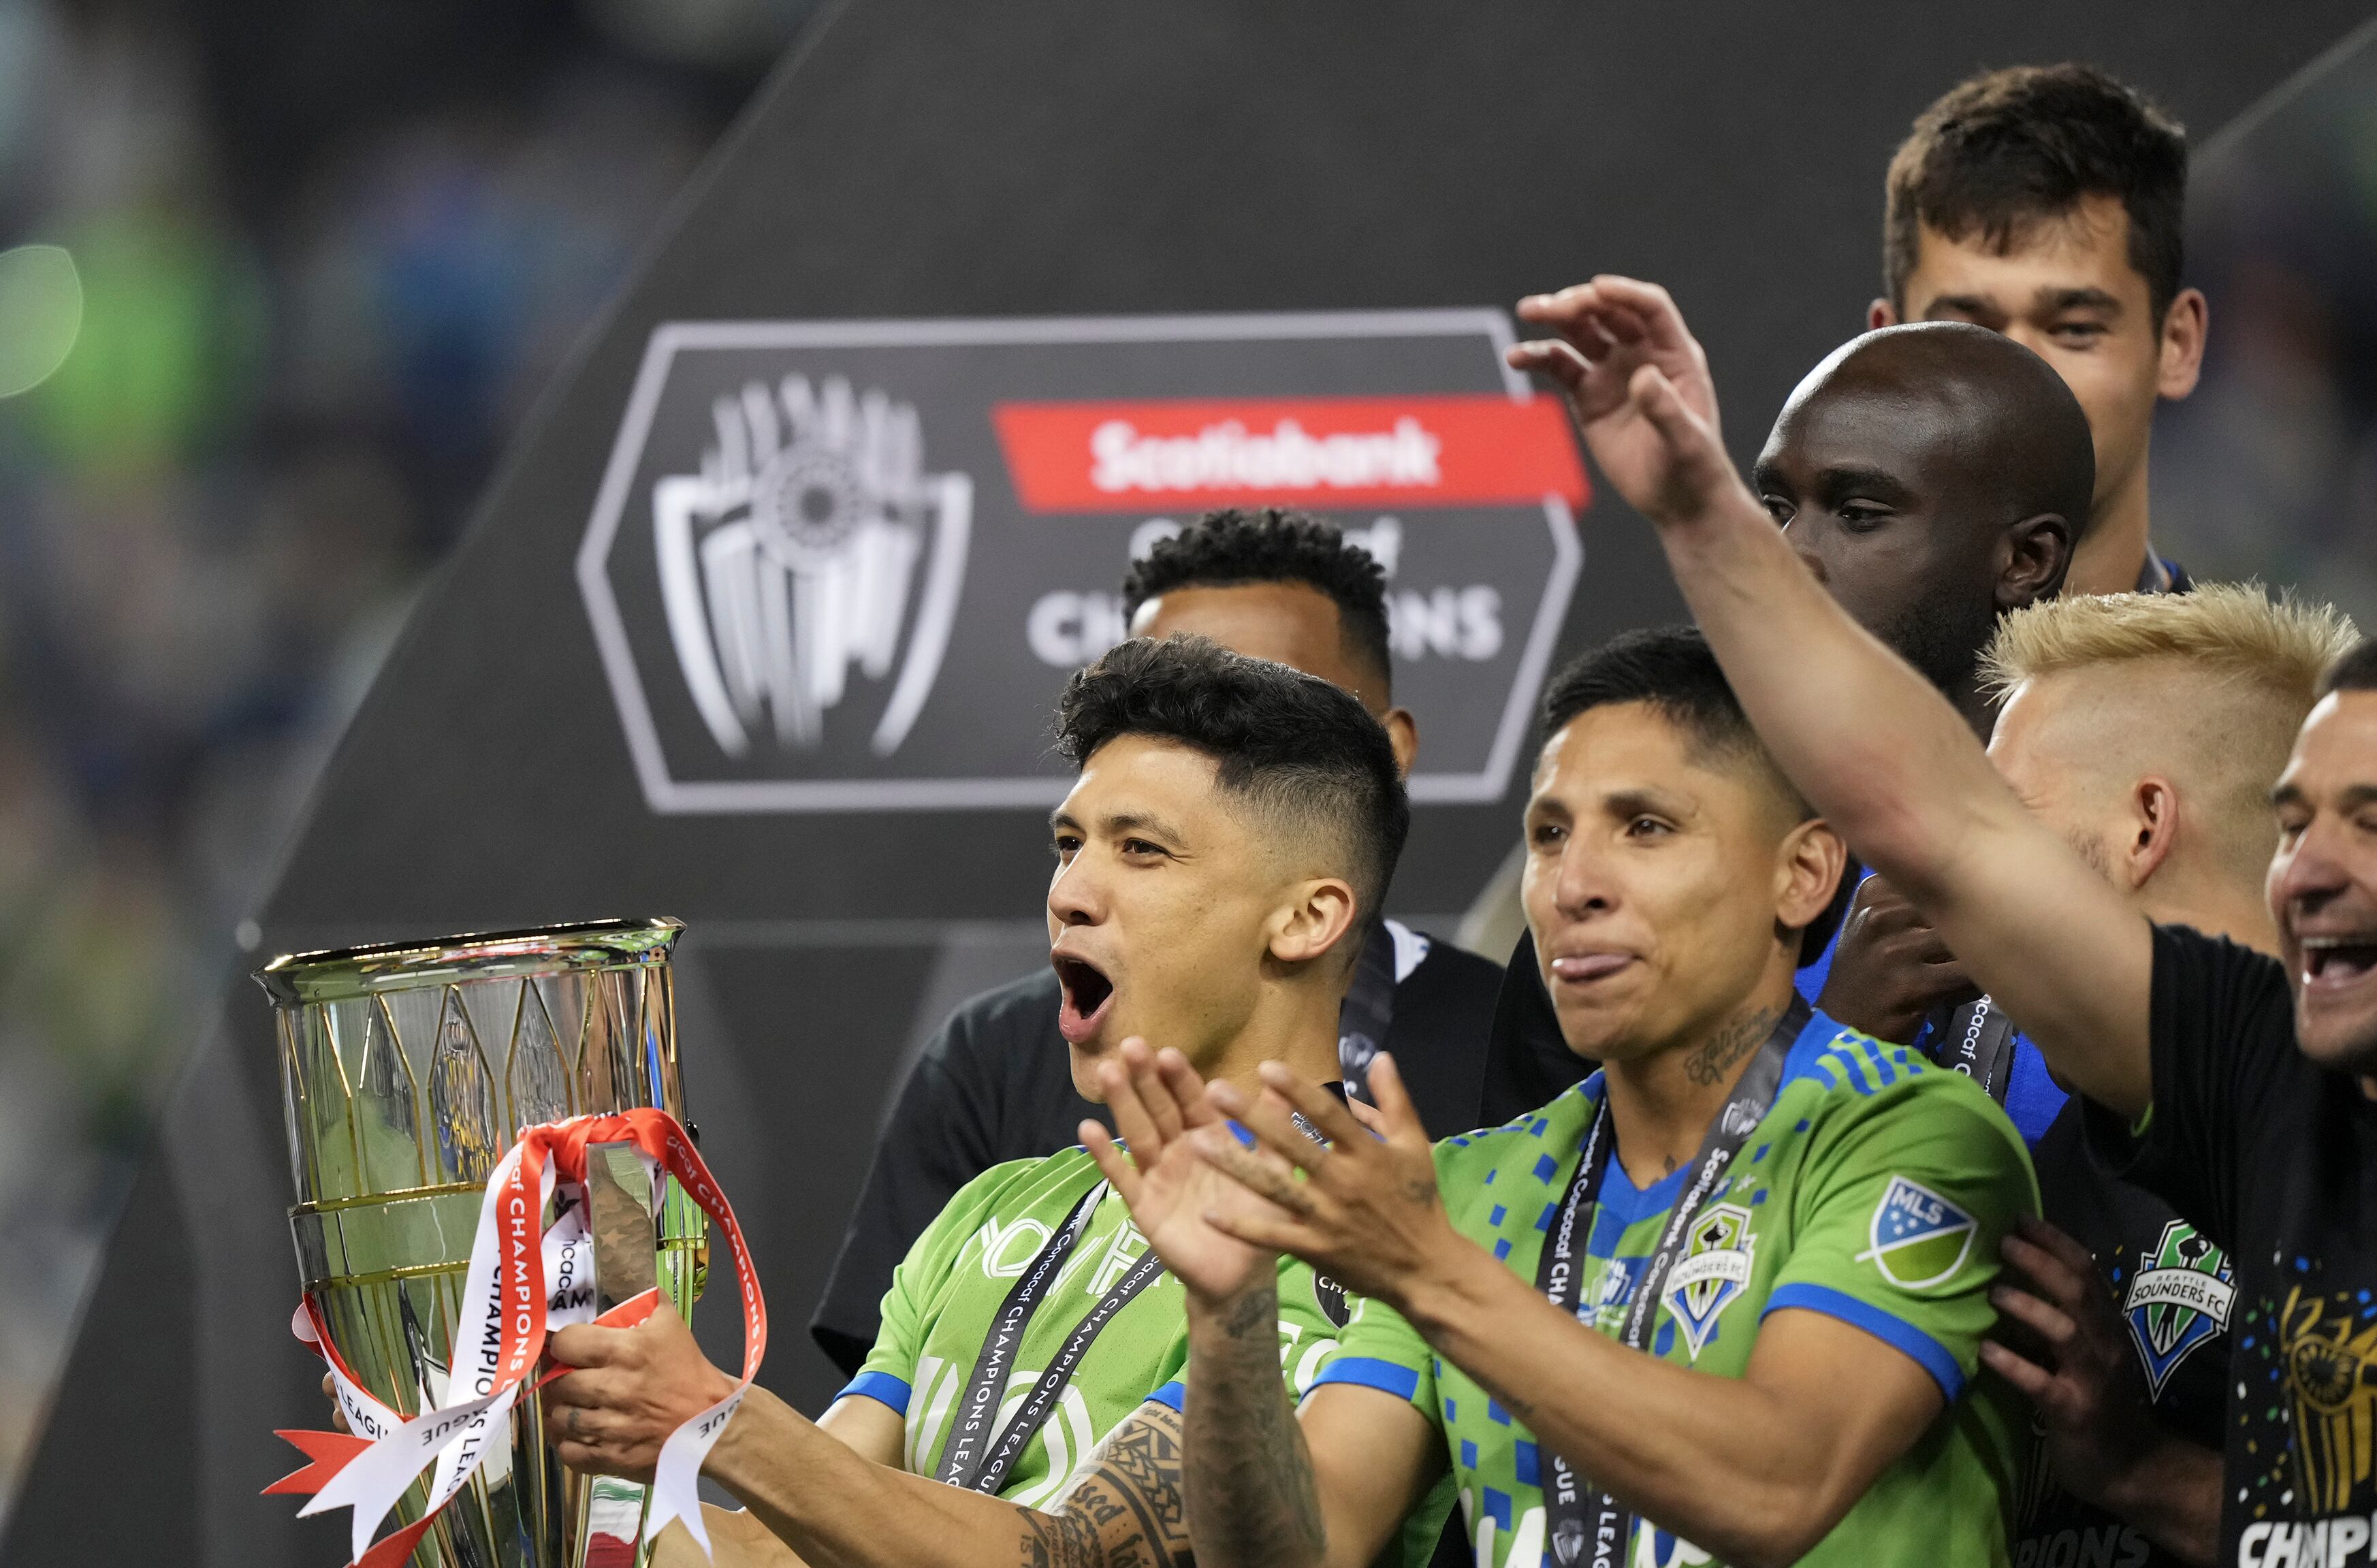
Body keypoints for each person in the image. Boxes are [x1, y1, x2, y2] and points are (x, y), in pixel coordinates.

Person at [1503, 268, 2377, 1564]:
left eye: (2367, 818)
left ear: (2148, 824)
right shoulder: (2246, 1073)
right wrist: (1696, 513)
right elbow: (1938, 828)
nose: (2308, 864)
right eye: (2296, 818)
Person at [1092, 626, 2040, 1568]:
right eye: (1549, 833)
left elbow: (1777, 1487)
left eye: (1645, 826)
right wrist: (1229, 1319)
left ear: (1799, 873)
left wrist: (1430, 1274)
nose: (1572, 885)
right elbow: (1304, 1547)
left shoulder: (1917, 1134)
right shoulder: (1462, 1187)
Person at [543, 635, 1449, 1568]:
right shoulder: (991, 1207)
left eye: (1141, 850)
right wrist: (538, 1407)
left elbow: (1083, 1557)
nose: (1069, 892)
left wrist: (712, 1415)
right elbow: (773, 1556)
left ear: (1305, 917)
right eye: (1068, 845)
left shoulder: (1381, 1234)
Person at [810, 507, 1514, 1377]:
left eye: (1262, 698)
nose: (1069, 892)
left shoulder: (1518, 1059)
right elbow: (890, 1459)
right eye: (1067, 846)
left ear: (1384, 751)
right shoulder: (988, 1081)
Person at [1973, 588, 2356, 1568]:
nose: (1968, 876)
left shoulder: (2347, 1130)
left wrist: (2142, 1468)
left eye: (2001, 819)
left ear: (2146, 822)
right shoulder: (2020, 1172)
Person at [1872, 63, 2206, 598]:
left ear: (2177, 345)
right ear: (1884, 354)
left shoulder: (2282, 685)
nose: (2019, 380)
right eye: (1964, 332)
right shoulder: (1774, 681)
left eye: (2074, 329)